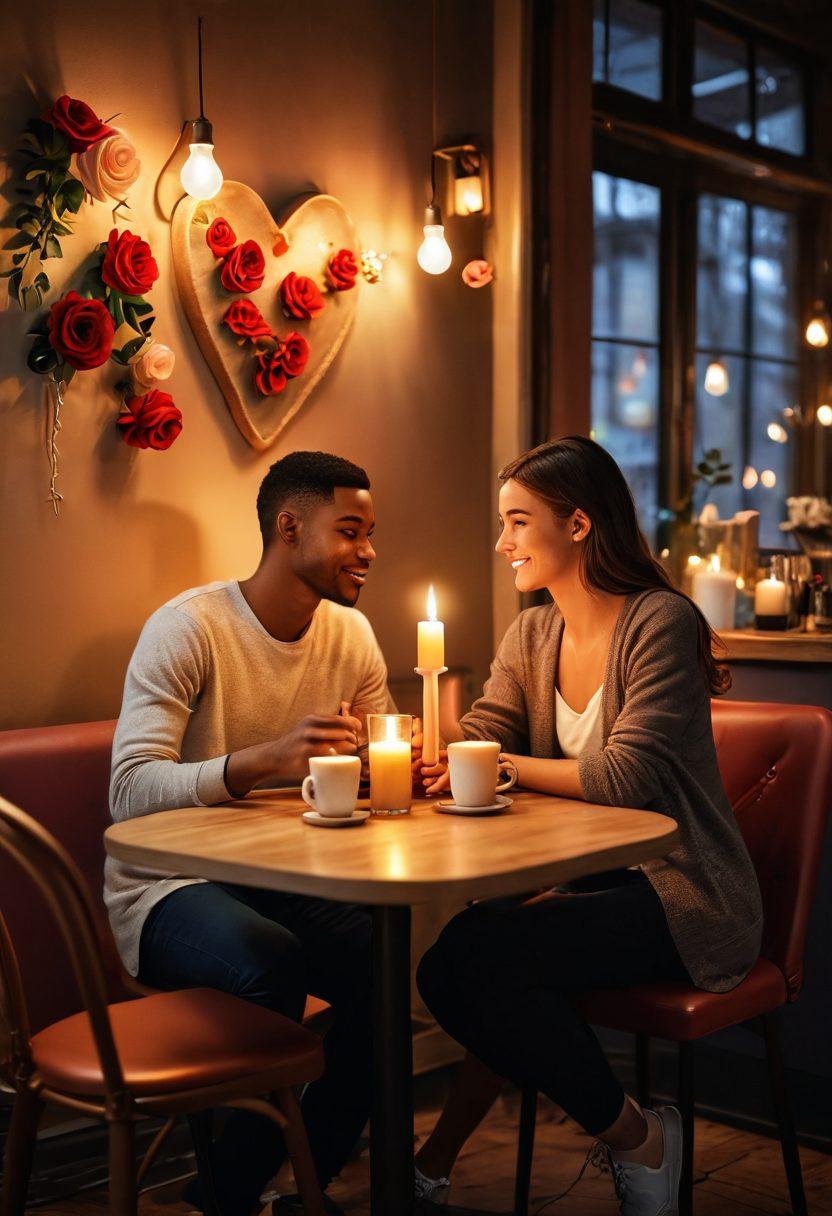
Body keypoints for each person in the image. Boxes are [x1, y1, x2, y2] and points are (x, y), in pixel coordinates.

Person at [413, 436, 763, 1216]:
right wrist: (431, 746)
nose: (501, 542)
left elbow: (623, 778)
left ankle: (635, 1142)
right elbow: (485, 733)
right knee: (446, 968)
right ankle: (636, 1133)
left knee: (485, 955)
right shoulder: (532, 634)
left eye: (517, 521)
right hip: (587, 880)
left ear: (577, 524)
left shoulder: (661, 622)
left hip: (685, 893)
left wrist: (495, 765)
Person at [105, 450, 393, 1216]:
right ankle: (229, 1198)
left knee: (382, 963)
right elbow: (129, 791)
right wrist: (261, 760)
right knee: (272, 960)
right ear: (289, 527)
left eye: (370, 533)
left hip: (286, 877)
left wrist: (402, 767)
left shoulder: (352, 636)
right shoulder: (188, 628)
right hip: (170, 888)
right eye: (351, 531)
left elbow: (379, 758)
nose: (368, 551)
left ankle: (296, 1189)